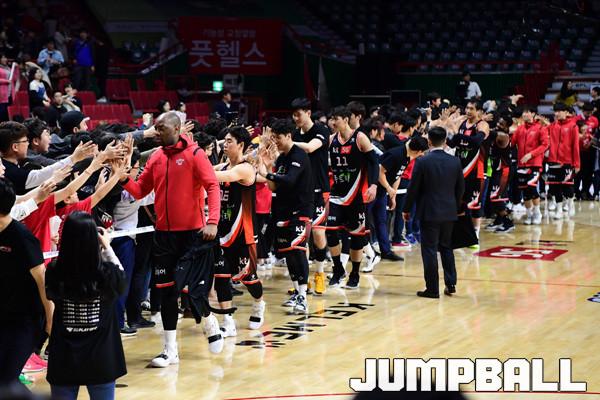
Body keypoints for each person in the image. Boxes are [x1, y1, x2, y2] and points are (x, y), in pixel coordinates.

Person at [119, 111, 224, 366]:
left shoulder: (195, 154)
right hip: (164, 236)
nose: (157, 133)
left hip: (193, 236)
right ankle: (170, 350)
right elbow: (140, 190)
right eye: (155, 128)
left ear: (177, 129)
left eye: (162, 128)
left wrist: (212, 221)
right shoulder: (155, 157)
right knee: (167, 291)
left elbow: (212, 186)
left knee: (190, 289)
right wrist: (123, 178)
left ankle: (209, 319)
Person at [45, 212, 127, 400]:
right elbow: (122, 281)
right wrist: (107, 247)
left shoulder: (54, 271)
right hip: (101, 356)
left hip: (64, 355)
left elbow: (50, 294)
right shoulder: (107, 273)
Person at [257, 118, 313, 313]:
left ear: (288, 136)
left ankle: (304, 296)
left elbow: (289, 180)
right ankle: (297, 292)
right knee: (288, 253)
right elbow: (274, 186)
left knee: (298, 251)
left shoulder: (299, 155)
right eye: (273, 138)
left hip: (300, 211)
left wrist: (266, 174)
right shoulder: (281, 159)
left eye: (278, 138)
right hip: (283, 210)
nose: (275, 142)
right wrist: (268, 169)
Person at [213, 126, 265, 335]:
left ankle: (259, 304)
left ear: (241, 145)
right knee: (221, 276)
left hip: (244, 233)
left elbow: (216, 175)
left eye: (229, 141)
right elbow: (211, 170)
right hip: (222, 230)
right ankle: (227, 322)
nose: (224, 145)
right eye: (223, 141)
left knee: (248, 278)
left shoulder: (245, 169)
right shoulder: (224, 165)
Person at [0, 178, 53, 385]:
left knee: (7, 379)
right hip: (4, 314)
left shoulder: (22, 239)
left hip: (25, 319)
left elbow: (42, 281)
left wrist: (50, 320)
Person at [402, 127, 464, 298]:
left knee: (429, 249)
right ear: (445, 141)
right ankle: (451, 283)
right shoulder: (455, 161)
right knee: (446, 247)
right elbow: (460, 188)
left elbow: (413, 188)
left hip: (429, 212)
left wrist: (406, 209)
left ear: (429, 141)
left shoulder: (422, 161)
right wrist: (455, 207)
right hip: (449, 212)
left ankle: (432, 289)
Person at [326, 106, 378, 289]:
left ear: (346, 120)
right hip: (336, 194)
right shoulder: (331, 139)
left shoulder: (360, 138)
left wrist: (373, 185)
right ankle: (338, 269)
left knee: (356, 237)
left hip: (356, 196)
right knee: (330, 231)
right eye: (332, 119)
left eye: (336, 119)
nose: (333, 122)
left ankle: (354, 274)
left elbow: (374, 162)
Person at [290, 98, 331, 295]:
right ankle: (303, 281)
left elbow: (310, 147)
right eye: (293, 115)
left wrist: (288, 143)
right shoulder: (295, 134)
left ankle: (320, 274)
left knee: (318, 234)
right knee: (301, 237)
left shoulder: (321, 130)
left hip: (319, 190)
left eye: (298, 114)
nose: (295, 118)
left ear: (307, 112)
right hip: (300, 192)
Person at [0, 121, 96, 195]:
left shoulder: (11, 164)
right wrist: (74, 158)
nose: (28, 144)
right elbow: (40, 175)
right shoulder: (8, 171)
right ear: (15, 147)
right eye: (25, 141)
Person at [447, 100, 489, 242]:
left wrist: (458, 135)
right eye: (467, 108)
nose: (468, 111)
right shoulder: (462, 123)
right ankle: (461, 231)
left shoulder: (482, 125)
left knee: (475, 203)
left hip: (476, 169)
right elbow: (452, 143)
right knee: (459, 201)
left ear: (479, 111)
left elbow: (476, 141)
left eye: (472, 108)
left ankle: (475, 233)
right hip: (459, 168)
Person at [510, 106, 549, 225]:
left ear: (533, 114)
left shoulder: (540, 128)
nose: (525, 114)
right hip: (521, 164)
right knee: (525, 191)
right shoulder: (520, 128)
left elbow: (545, 145)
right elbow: (512, 143)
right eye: (524, 112)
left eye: (527, 112)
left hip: (535, 164)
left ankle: (537, 213)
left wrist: (531, 154)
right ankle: (529, 214)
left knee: (531, 187)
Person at [547, 103, 580, 219]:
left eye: (559, 111)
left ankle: (571, 203)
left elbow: (575, 146)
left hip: (567, 162)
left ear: (566, 112)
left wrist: (577, 164)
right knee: (555, 188)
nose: (557, 114)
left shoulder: (573, 126)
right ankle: (559, 209)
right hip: (553, 161)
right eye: (555, 111)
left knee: (568, 188)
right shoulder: (552, 126)